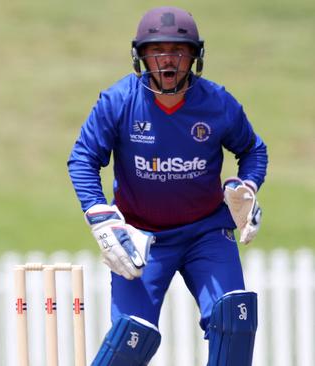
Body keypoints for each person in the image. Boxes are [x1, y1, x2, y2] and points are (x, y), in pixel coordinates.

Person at [67, 7, 267, 366]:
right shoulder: (119, 101)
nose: (168, 61)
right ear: (140, 56)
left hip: (206, 231)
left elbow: (253, 149)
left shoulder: (217, 103)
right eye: (156, 51)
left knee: (234, 318)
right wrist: (101, 217)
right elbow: (83, 158)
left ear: (195, 57)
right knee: (131, 337)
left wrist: (247, 187)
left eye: (179, 50)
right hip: (141, 238)